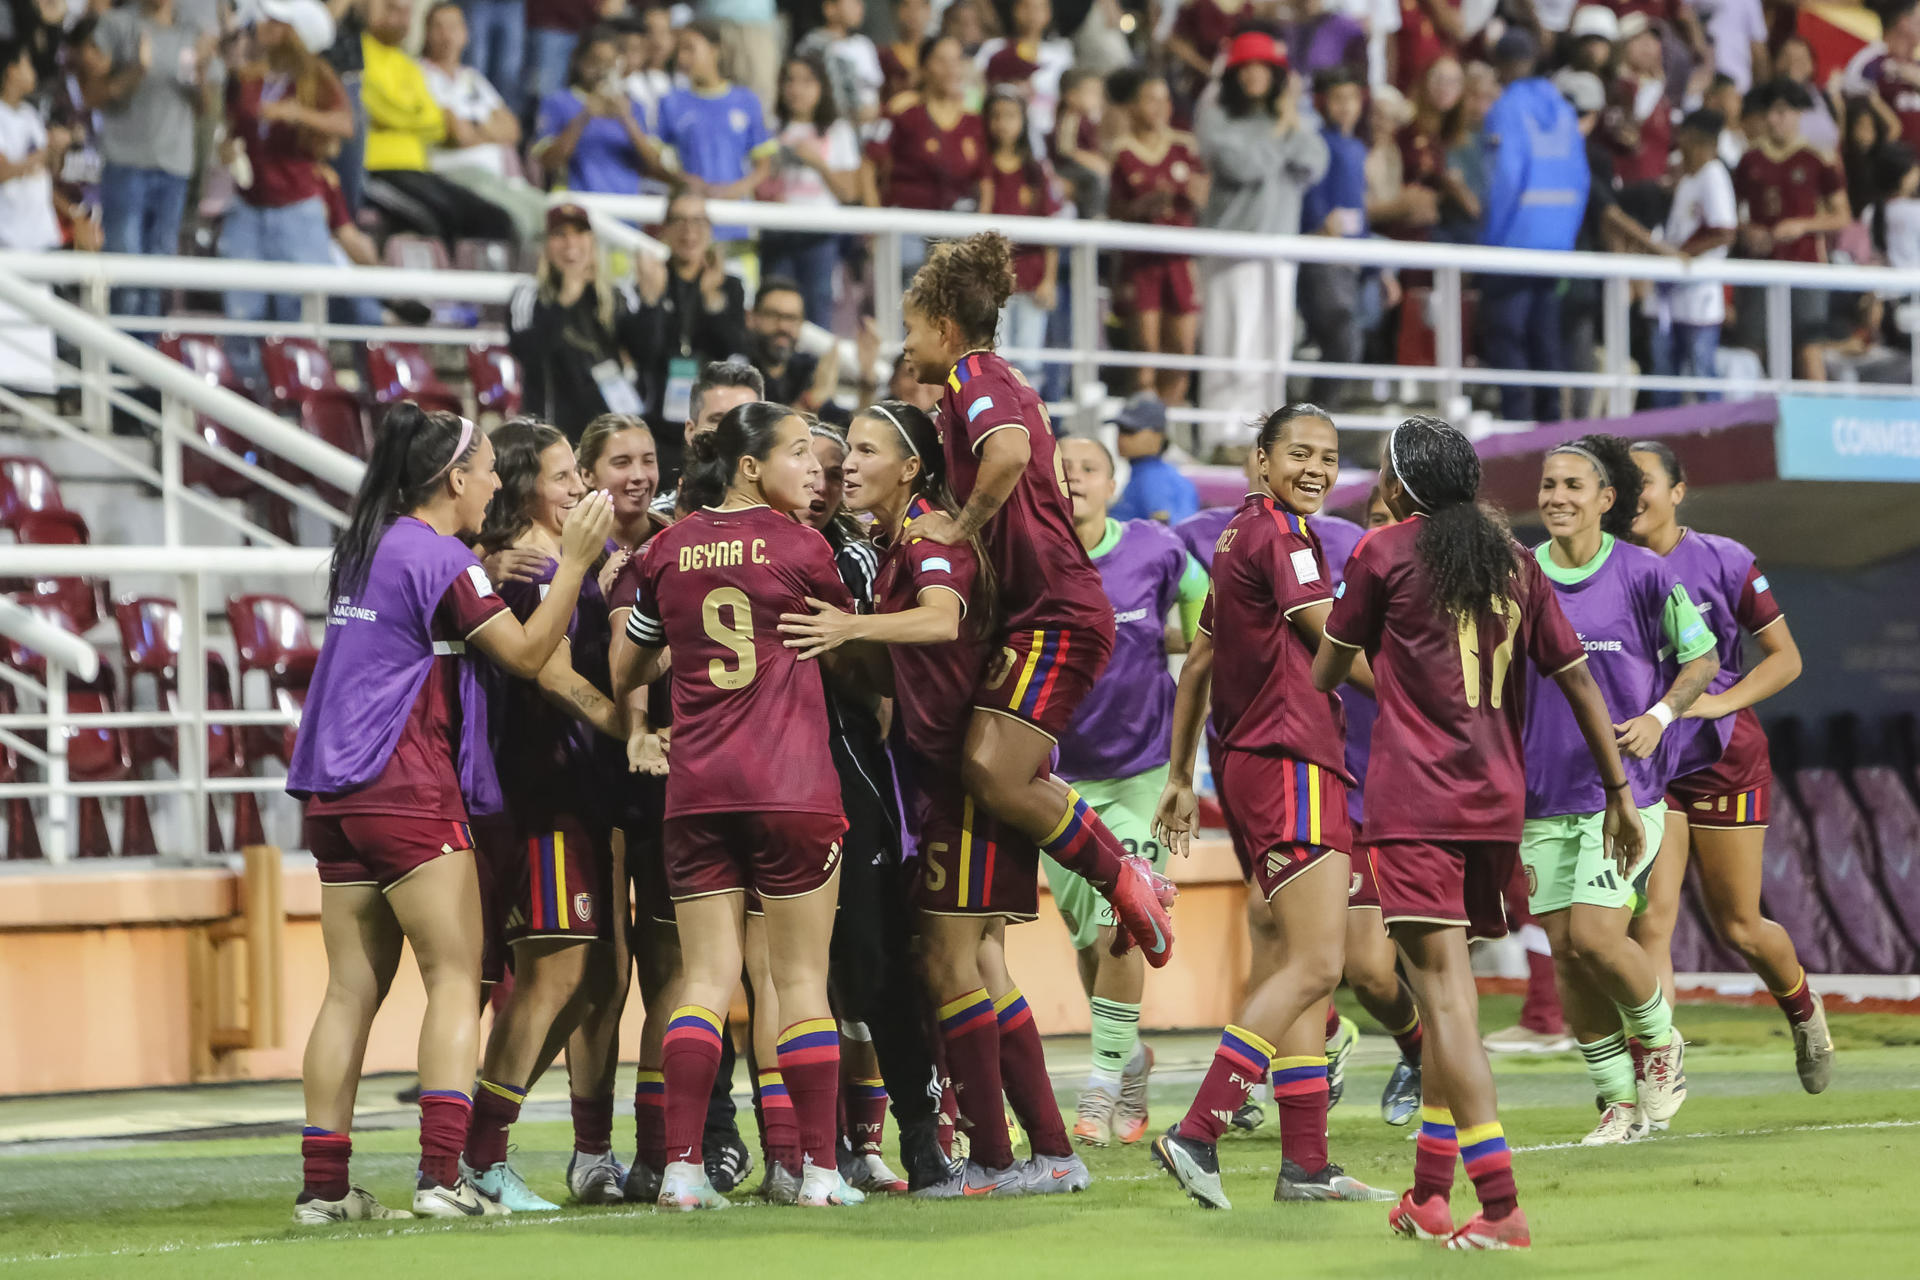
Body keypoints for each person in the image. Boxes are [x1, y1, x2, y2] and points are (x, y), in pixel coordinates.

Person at [1311, 416, 1642, 1250]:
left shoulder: (1381, 553)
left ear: (1400, 486)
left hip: (1415, 805)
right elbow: (1578, 682)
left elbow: (1323, 668)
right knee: (1444, 994)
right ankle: (1428, 1195)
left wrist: (1383, 666)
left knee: (1446, 1003)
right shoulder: (1518, 562)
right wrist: (1618, 791)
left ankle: (1498, 1208)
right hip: (1498, 804)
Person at [287, 404, 613, 1223]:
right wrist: (571, 563)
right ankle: (441, 1177)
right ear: (453, 479)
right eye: (488, 469)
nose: (498, 481)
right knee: (455, 976)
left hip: (330, 791)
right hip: (404, 786)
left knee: (347, 992)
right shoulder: (438, 556)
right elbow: (532, 656)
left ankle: (324, 1190)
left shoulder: (366, 546)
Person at [775, 399, 1090, 1199]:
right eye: (848, 452)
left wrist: (848, 630)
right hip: (939, 778)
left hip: (964, 777)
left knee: (950, 959)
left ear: (912, 466)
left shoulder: (927, 534)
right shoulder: (893, 544)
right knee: (975, 960)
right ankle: (1046, 1152)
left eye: (869, 451)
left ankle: (995, 1156)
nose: (848, 465)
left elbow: (942, 621)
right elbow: (898, 669)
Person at [891, 231, 1177, 971]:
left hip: (1056, 608)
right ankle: (1123, 874)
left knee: (993, 772)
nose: (905, 344)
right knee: (989, 767)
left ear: (945, 330)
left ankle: (1125, 876)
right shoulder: (997, 377)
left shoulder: (973, 376)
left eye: (911, 329)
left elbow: (1010, 453)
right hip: (1043, 608)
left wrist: (960, 525)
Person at [611, 402, 865, 1211]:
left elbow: (626, 668)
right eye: (798, 454)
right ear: (750, 465)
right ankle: (819, 1170)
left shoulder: (666, 548)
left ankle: (682, 1169)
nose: (816, 469)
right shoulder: (804, 547)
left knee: (705, 979)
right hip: (791, 787)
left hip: (697, 793)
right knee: (799, 980)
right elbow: (847, 638)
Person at [1150, 405, 1394, 1210]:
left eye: (1328, 455)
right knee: (1320, 962)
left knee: (1305, 968)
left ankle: (1307, 1166)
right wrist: (1421, 702)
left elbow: (1198, 667)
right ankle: (1197, 1130)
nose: (1317, 468)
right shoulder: (1285, 538)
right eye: (1299, 453)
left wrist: (1182, 776)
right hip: (1292, 762)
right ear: (1260, 460)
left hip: (1257, 763)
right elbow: (1330, 635)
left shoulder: (1236, 539)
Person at [1522, 435, 1715, 1144]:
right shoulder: (1517, 575)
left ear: (1607, 500)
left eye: (1573, 486)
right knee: (1565, 950)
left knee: (1601, 936)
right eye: (1548, 485)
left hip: (1625, 796)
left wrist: (1661, 717)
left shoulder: (1643, 572)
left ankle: (1662, 1046)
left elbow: (1703, 657)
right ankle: (1614, 1101)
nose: (1557, 498)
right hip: (1540, 794)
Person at [1628, 440, 1832, 1093]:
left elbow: (1785, 657)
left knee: (1739, 926)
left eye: (1644, 482)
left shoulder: (1727, 559)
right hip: (1647, 757)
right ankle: (1659, 1068)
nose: (1631, 495)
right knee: (1651, 919)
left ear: (1677, 490)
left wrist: (1720, 703)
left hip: (1722, 759)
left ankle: (1803, 1011)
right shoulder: (1606, 565)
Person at [464, 420, 631, 1211]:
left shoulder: (568, 561)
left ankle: (559, 1148)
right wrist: (640, 733)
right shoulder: (534, 568)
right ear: (528, 484)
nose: (578, 489)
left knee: (595, 979)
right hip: (543, 793)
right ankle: (479, 1153)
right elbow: (557, 679)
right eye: (565, 476)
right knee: (556, 972)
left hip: (580, 793)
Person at [790, 417, 947, 1194]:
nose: (827, 478)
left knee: (875, 958)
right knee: (772, 973)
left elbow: (884, 688)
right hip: (755, 780)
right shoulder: (724, 544)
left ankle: (916, 1134)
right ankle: (775, 1147)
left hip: (850, 769)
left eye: (841, 462)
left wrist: (837, 639)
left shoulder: (860, 558)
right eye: (812, 464)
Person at [1049, 437, 1207, 1148]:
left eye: (1087, 467)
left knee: (1125, 919)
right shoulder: (1030, 557)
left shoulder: (1155, 548)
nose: (1072, 477)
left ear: (1114, 485)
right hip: (1055, 780)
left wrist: (1186, 767)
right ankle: (1131, 1056)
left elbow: (1210, 610)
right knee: (1090, 940)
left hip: (1146, 770)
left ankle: (1103, 1081)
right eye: (1060, 468)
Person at [1194, 31, 1328, 423]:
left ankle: (1262, 433)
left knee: (1272, 348)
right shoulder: (1217, 113)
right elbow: (1243, 166)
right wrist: (1285, 133)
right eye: (1245, 67)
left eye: (1262, 67)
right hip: (1232, 250)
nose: (1254, 75)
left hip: (1279, 252)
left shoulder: (1287, 118)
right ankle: (1223, 432)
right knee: (1231, 345)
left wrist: (1287, 130)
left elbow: (1316, 161)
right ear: (1233, 73)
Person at [219, 1, 352, 385]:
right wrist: (227, 148)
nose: (261, 27)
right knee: (242, 310)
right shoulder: (248, 77)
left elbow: (345, 124)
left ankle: (299, 392)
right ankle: (246, 392)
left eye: (273, 22)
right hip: (249, 203)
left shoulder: (315, 77)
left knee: (299, 312)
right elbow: (233, 129)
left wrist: (297, 114)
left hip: (296, 205)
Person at [82, 0, 219, 319]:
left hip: (174, 167)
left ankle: (149, 354)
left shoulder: (191, 33)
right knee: (126, 269)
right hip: (126, 163)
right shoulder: (116, 25)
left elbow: (203, 108)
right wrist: (136, 71)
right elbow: (92, 95)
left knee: (158, 274)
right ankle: (121, 361)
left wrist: (199, 74)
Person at [1478, 29, 1587, 423]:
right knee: (1545, 338)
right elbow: (1581, 177)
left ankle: (1517, 424)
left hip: (1513, 242)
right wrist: (1565, 237)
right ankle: (1551, 425)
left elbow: (1504, 179)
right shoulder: (1563, 108)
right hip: (1556, 244)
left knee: (1508, 338)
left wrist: (1490, 244)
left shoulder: (1506, 109)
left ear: (1502, 66)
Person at [359, 0, 514, 248]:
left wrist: (407, 116)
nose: (398, 20)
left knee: (495, 219)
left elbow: (436, 122)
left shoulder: (408, 65)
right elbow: (378, 107)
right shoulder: (357, 54)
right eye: (391, 10)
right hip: (378, 169)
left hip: (419, 169)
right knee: (441, 219)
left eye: (405, 13)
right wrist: (416, 115)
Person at [1732, 81, 1851, 380]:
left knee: (1809, 346)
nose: (1775, 120)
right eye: (1770, 112)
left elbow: (1842, 215)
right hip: (1761, 264)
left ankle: (1818, 420)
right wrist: (1747, 231)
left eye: (1782, 112)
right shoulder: (1750, 160)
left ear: (1798, 114)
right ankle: (1750, 419)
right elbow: (1730, 213)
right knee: (1754, 345)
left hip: (1806, 263)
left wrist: (1804, 225)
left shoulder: (1817, 159)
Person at [507, 203, 649, 441]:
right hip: (550, 434)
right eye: (560, 234)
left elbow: (646, 352)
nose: (570, 243)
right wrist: (564, 301)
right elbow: (527, 352)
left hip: (608, 435)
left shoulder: (615, 296)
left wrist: (652, 302)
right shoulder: (528, 295)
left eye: (579, 233)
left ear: (592, 240)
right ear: (546, 245)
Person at [1108, 71, 1206, 406]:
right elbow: (1114, 211)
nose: (1159, 107)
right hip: (1141, 264)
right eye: (1150, 99)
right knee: (1146, 350)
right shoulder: (1122, 154)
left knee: (1182, 350)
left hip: (1179, 259)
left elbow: (1204, 198)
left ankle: (1169, 426)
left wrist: (1197, 190)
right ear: (1134, 106)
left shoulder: (1184, 147)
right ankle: (1145, 427)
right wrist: (1142, 206)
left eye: (1164, 100)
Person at [631, 190, 752, 430]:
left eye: (698, 221)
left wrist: (712, 300)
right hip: (658, 414)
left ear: (710, 229)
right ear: (664, 229)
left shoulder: (729, 286)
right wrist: (651, 302)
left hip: (714, 414)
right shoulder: (652, 280)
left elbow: (734, 349)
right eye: (679, 220)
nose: (689, 230)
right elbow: (643, 353)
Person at [760, 53, 862, 328]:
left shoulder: (837, 131)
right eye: (790, 81)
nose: (797, 89)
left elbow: (849, 192)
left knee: (817, 307)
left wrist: (817, 162)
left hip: (820, 234)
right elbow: (757, 182)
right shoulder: (770, 128)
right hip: (777, 231)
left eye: (807, 81)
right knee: (774, 304)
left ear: (821, 87)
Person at [1647, 110, 1736, 407]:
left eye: (1684, 136)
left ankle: (1716, 430)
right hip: (1674, 290)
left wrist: (1680, 256)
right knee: (1666, 371)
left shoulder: (1713, 174)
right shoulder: (1689, 178)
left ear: (1698, 140)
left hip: (1700, 291)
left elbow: (1724, 231)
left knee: (1701, 368)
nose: (1679, 143)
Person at [656, 20, 775, 240]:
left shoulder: (746, 100)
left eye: (690, 48)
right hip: (689, 230)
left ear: (714, 49)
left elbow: (764, 165)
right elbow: (653, 160)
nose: (682, 58)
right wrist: (681, 180)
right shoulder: (671, 101)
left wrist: (733, 191)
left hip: (737, 222)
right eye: (679, 50)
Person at [979, 88, 1063, 388]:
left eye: (1011, 116)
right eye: (997, 116)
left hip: (1032, 275)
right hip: (996, 276)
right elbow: (983, 219)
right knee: (997, 353)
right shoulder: (984, 166)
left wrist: (1050, 279)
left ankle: (1029, 419)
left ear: (1024, 122)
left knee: (1029, 357)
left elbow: (1050, 227)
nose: (1003, 124)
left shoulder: (1036, 170)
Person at [1299, 66, 1371, 408]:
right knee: (1343, 339)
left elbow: (1360, 210)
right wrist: (1318, 221)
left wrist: (1378, 268)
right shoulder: (1316, 144)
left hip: (1351, 262)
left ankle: (1319, 417)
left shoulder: (1356, 148)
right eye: (1337, 99)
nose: (1345, 107)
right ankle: (1316, 416)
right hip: (1323, 258)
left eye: (1351, 98)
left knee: (1346, 342)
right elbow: (1312, 198)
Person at [875, 32, 987, 244]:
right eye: (941, 61)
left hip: (959, 227)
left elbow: (985, 180)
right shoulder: (902, 110)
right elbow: (869, 164)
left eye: (956, 61)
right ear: (924, 68)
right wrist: (873, 225)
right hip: (907, 225)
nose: (951, 69)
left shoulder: (974, 121)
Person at [533, 26, 667, 198]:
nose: (602, 69)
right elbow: (548, 162)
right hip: (576, 205)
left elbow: (656, 165)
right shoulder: (558, 102)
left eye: (609, 63)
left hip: (627, 207)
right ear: (579, 61)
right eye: (595, 61)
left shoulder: (634, 106)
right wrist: (584, 116)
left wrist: (627, 120)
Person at [420, 3, 523, 186]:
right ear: (426, 33)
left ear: (465, 34)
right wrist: (488, 127)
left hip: (495, 179)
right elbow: (458, 134)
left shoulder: (473, 77)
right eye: (438, 27)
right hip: (452, 176)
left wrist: (473, 128)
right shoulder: (418, 73)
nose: (446, 35)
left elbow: (512, 129)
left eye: (453, 27)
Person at [651, 359, 765, 514]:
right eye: (717, 420)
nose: (731, 432)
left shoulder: (789, 517)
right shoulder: (658, 519)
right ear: (691, 431)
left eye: (744, 420)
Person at [0, 40, 63, 254]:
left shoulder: (30, 114)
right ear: (12, 70)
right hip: (9, 236)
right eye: (27, 64)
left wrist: (57, 147)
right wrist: (43, 154)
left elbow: (51, 169)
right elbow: (2, 171)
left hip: (42, 233)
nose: (33, 72)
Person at [747, 279, 839, 418]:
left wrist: (866, 384)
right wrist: (809, 402)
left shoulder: (808, 370)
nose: (783, 326)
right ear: (753, 317)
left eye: (791, 318)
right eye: (773, 315)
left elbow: (846, 429)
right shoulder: (739, 370)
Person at [1107, 393, 1199, 526]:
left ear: (1158, 435)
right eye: (1120, 429)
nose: (1121, 437)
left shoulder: (1155, 480)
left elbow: (1168, 535)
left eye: (1130, 430)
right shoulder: (1145, 474)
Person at [793, 0, 883, 124]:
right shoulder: (812, 46)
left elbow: (874, 88)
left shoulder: (863, 45)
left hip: (866, 127)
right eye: (854, 2)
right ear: (829, 8)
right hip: (827, 126)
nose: (860, 7)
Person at [458, 0, 524, 119]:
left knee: (509, 71)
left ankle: (504, 126)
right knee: (476, 64)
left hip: (513, 5)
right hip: (477, 4)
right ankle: (472, 119)